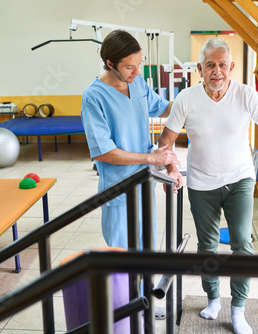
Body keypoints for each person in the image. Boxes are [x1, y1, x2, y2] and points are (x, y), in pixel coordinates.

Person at [158, 37, 258, 334]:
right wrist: (172, 168)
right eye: (210, 65)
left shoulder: (245, 94)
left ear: (232, 67)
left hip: (239, 178)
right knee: (207, 246)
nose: (217, 71)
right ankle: (213, 299)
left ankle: (238, 309)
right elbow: (166, 142)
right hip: (200, 182)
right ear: (200, 68)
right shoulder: (187, 98)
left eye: (222, 65)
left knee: (242, 242)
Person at [80, 29, 179, 249]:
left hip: (145, 183)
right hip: (119, 189)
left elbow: (163, 108)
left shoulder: (138, 83)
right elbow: (103, 151)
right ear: (110, 63)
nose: (136, 72)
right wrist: (151, 158)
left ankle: (146, 286)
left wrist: (193, 100)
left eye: (139, 64)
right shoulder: (93, 97)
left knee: (147, 252)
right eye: (129, 67)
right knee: (123, 255)